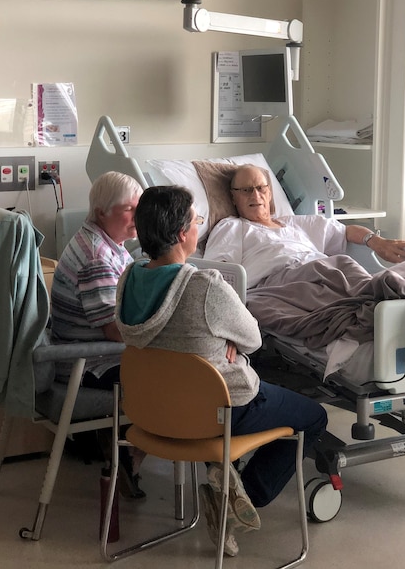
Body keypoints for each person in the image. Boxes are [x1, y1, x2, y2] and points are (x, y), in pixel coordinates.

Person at [116, 185, 328, 557]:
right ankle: (240, 496)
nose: (199, 226)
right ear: (184, 234)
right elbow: (253, 339)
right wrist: (225, 342)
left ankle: (225, 480)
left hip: (152, 411)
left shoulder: (128, 280)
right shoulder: (205, 286)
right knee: (312, 416)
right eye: (197, 220)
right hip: (220, 412)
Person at [203, 164, 405, 348]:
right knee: (350, 272)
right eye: (246, 190)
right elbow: (218, 274)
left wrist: (376, 242)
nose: (255, 195)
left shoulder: (295, 223)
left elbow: (345, 230)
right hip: (280, 283)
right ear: (233, 198)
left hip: (324, 270)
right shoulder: (232, 227)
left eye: (261, 188)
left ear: (270, 193)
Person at [50, 170, 145, 498]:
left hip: (92, 351)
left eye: (138, 208)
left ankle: (128, 448)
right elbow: (114, 331)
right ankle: (132, 453)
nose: (137, 217)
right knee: (171, 373)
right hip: (88, 362)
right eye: (129, 210)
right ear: (102, 211)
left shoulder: (108, 243)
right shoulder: (97, 257)